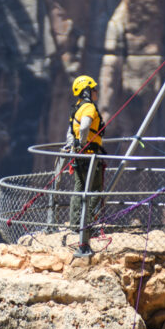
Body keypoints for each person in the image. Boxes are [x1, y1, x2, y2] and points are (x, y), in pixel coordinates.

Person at [66, 75, 106, 227]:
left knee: (79, 187)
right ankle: (86, 222)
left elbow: (70, 132)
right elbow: (84, 126)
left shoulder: (77, 108)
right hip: (89, 156)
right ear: (86, 91)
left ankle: (76, 223)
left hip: (79, 155)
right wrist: (83, 143)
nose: (96, 91)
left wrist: (73, 147)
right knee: (96, 189)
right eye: (93, 88)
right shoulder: (88, 107)